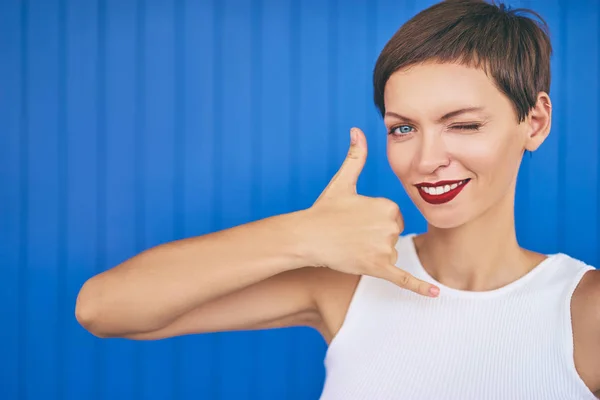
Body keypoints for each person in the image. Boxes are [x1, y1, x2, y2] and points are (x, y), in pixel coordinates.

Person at [75, 0, 600, 398]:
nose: (425, 159)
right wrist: (301, 234)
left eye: (462, 124)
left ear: (534, 122)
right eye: (402, 129)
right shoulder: (347, 279)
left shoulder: (585, 308)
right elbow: (103, 308)